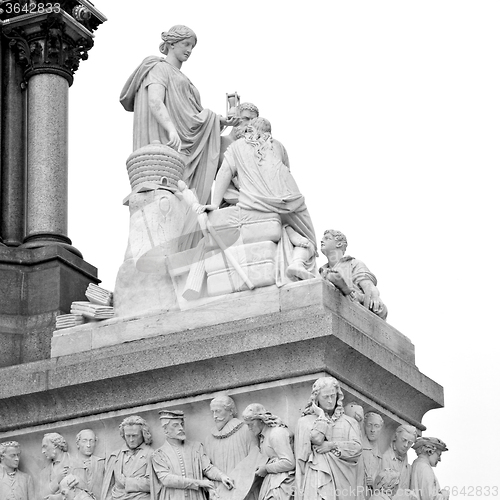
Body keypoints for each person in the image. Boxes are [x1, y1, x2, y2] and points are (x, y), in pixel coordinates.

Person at [120, 25, 237, 210]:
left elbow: (192, 115)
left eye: (192, 46)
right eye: (186, 44)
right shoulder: (158, 67)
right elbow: (155, 101)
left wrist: (218, 120)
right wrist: (171, 129)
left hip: (187, 144)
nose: (189, 50)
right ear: (172, 44)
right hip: (169, 143)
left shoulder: (183, 78)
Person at [199, 117, 317, 284]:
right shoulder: (278, 146)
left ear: (250, 131)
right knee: (309, 240)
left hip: (255, 202)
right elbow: (285, 173)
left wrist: (215, 204)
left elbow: (225, 171)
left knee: (283, 225)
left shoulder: (236, 147)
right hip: (290, 201)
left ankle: (293, 249)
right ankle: (297, 260)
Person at [295, 377, 362, 500]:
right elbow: (301, 460)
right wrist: (321, 416)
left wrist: (332, 445)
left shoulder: (349, 422)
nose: (330, 401)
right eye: (326, 397)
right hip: (315, 479)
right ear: (316, 398)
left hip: (344, 484)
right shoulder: (305, 422)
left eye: (333, 396)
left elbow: (357, 449)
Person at [151, 409, 234, 500]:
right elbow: (166, 479)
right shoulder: (159, 454)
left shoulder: (196, 447)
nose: (181, 428)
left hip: (196, 496)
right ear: (165, 430)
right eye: (175, 425)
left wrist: (222, 476)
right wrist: (199, 483)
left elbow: (207, 468)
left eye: (182, 424)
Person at [319, 230, 388, 320]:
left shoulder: (353, 263)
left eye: (327, 238)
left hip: (353, 308)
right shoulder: (320, 272)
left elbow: (368, 286)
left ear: (339, 244)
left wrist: (375, 297)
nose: (321, 240)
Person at [241, 404, 295, 500]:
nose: (249, 428)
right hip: (272, 482)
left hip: (282, 484)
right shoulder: (263, 436)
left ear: (261, 420)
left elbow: (289, 463)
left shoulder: (276, 433)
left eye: (251, 424)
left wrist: (266, 469)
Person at [204, 396, 257, 485]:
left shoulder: (246, 430)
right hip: (219, 491)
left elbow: (255, 459)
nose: (215, 416)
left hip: (243, 486)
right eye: (212, 412)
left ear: (231, 411)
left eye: (218, 411)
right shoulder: (209, 439)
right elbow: (206, 467)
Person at [101, 415, 154, 500]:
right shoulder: (115, 456)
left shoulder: (151, 454)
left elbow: (153, 483)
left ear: (143, 434)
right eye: (128, 436)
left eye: (135, 435)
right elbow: (108, 487)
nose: (131, 440)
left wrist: (127, 482)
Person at [381, 424, 417, 495]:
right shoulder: (385, 458)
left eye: (410, 443)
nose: (406, 445)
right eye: (404, 440)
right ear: (395, 437)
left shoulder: (408, 467)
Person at [71, 429, 105, 499]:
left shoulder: (101, 463)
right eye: (84, 441)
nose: (88, 445)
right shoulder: (70, 465)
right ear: (77, 444)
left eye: (91, 441)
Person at [40, 432, 72, 500]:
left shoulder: (73, 462)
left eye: (45, 446)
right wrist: (57, 480)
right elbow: (42, 495)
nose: (43, 451)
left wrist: (57, 497)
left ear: (55, 445)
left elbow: (80, 490)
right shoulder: (45, 471)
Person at [361, 413, 384, 494]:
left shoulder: (380, 455)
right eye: (369, 425)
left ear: (381, 429)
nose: (372, 430)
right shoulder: (360, 448)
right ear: (364, 426)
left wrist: (374, 483)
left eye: (376, 426)